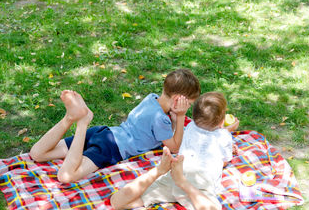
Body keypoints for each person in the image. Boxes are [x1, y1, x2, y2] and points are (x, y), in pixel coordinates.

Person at [29, 69, 201, 183]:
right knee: (66, 176)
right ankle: (82, 121)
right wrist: (180, 116)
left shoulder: (151, 98)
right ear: (178, 100)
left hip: (104, 133)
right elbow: (175, 147)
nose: (188, 107)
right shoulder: (160, 120)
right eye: (189, 104)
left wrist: (173, 116)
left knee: (37, 154)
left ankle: (69, 118)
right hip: (111, 148)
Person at [110, 92, 240, 210]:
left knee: (118, 202)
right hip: (199, 184)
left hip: (175, 174)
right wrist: (227, 134)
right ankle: (183, 184)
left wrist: (160, 171)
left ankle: (163, 173)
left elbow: (116, 203)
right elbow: (225, 162)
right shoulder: (225, 136)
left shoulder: (189, 127)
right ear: (222, 121)